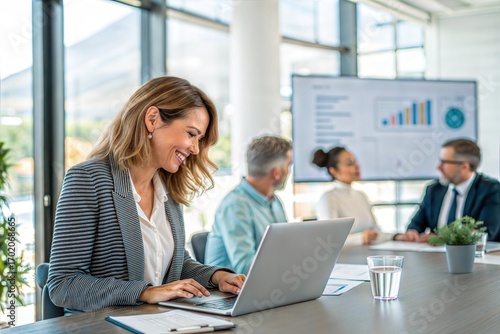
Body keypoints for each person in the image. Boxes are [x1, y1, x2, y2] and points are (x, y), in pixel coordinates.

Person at [47, 76, 245, 313]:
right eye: (192, 134)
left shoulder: (168, 188)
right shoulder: (88, 179)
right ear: (152, 119)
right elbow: (63, 284)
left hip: (160, 322)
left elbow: (175, 266)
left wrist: (218, 276)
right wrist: (144, 292)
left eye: (200, 139)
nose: (195, 148)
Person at [205, 136, 292, 274]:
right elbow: (246, 268)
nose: (289, 171)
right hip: (230, 291)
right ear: (276, 173)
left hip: (270, 284)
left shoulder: (275, 202)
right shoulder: (235, 206)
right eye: (289, 165)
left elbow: (287, 249)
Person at [395, 138, 500, 243]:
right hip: (433, 256)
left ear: (464, 167)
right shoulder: (434, 190)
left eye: (444, 162)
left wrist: (441, 238)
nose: (438, 167)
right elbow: (416, 225)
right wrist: (411, 233)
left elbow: (485, 234)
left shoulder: (492, 190)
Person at [312, 147, 392, 245]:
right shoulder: (328, 198)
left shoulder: (361, 196)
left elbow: (376, 232)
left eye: (355, 161)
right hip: (344, 259)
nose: (357, 166)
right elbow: (329, 241)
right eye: (349, 163)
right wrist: (361, 238)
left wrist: (396, 237)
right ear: (334, 171)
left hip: (369, 255)